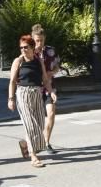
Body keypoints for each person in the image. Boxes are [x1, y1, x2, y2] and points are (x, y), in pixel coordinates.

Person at [8, 34, 54, 168]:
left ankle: (24, 144)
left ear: (33, 48)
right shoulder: (18, 61)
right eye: (21, 48)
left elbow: (45, 79)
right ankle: (33, 156)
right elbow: (12, 81)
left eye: (26, 47)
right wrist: (11, 99)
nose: (23, 50)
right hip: (23, 94)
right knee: (30, 125)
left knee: (39, 125)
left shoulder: (38, 61)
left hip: (37, 93)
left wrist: (51, 92)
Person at [32, 23, 61, 153]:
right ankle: (34, 143)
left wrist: (51, 73)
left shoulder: (51, 50)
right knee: (37, 119)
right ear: (33, 39)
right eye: (37, 40)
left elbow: (57, 66)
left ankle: (46, 142)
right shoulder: (29, 52)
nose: (39, 43)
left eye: (42, 40)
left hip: (49, 87)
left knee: (51, 114)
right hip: (35, 89)